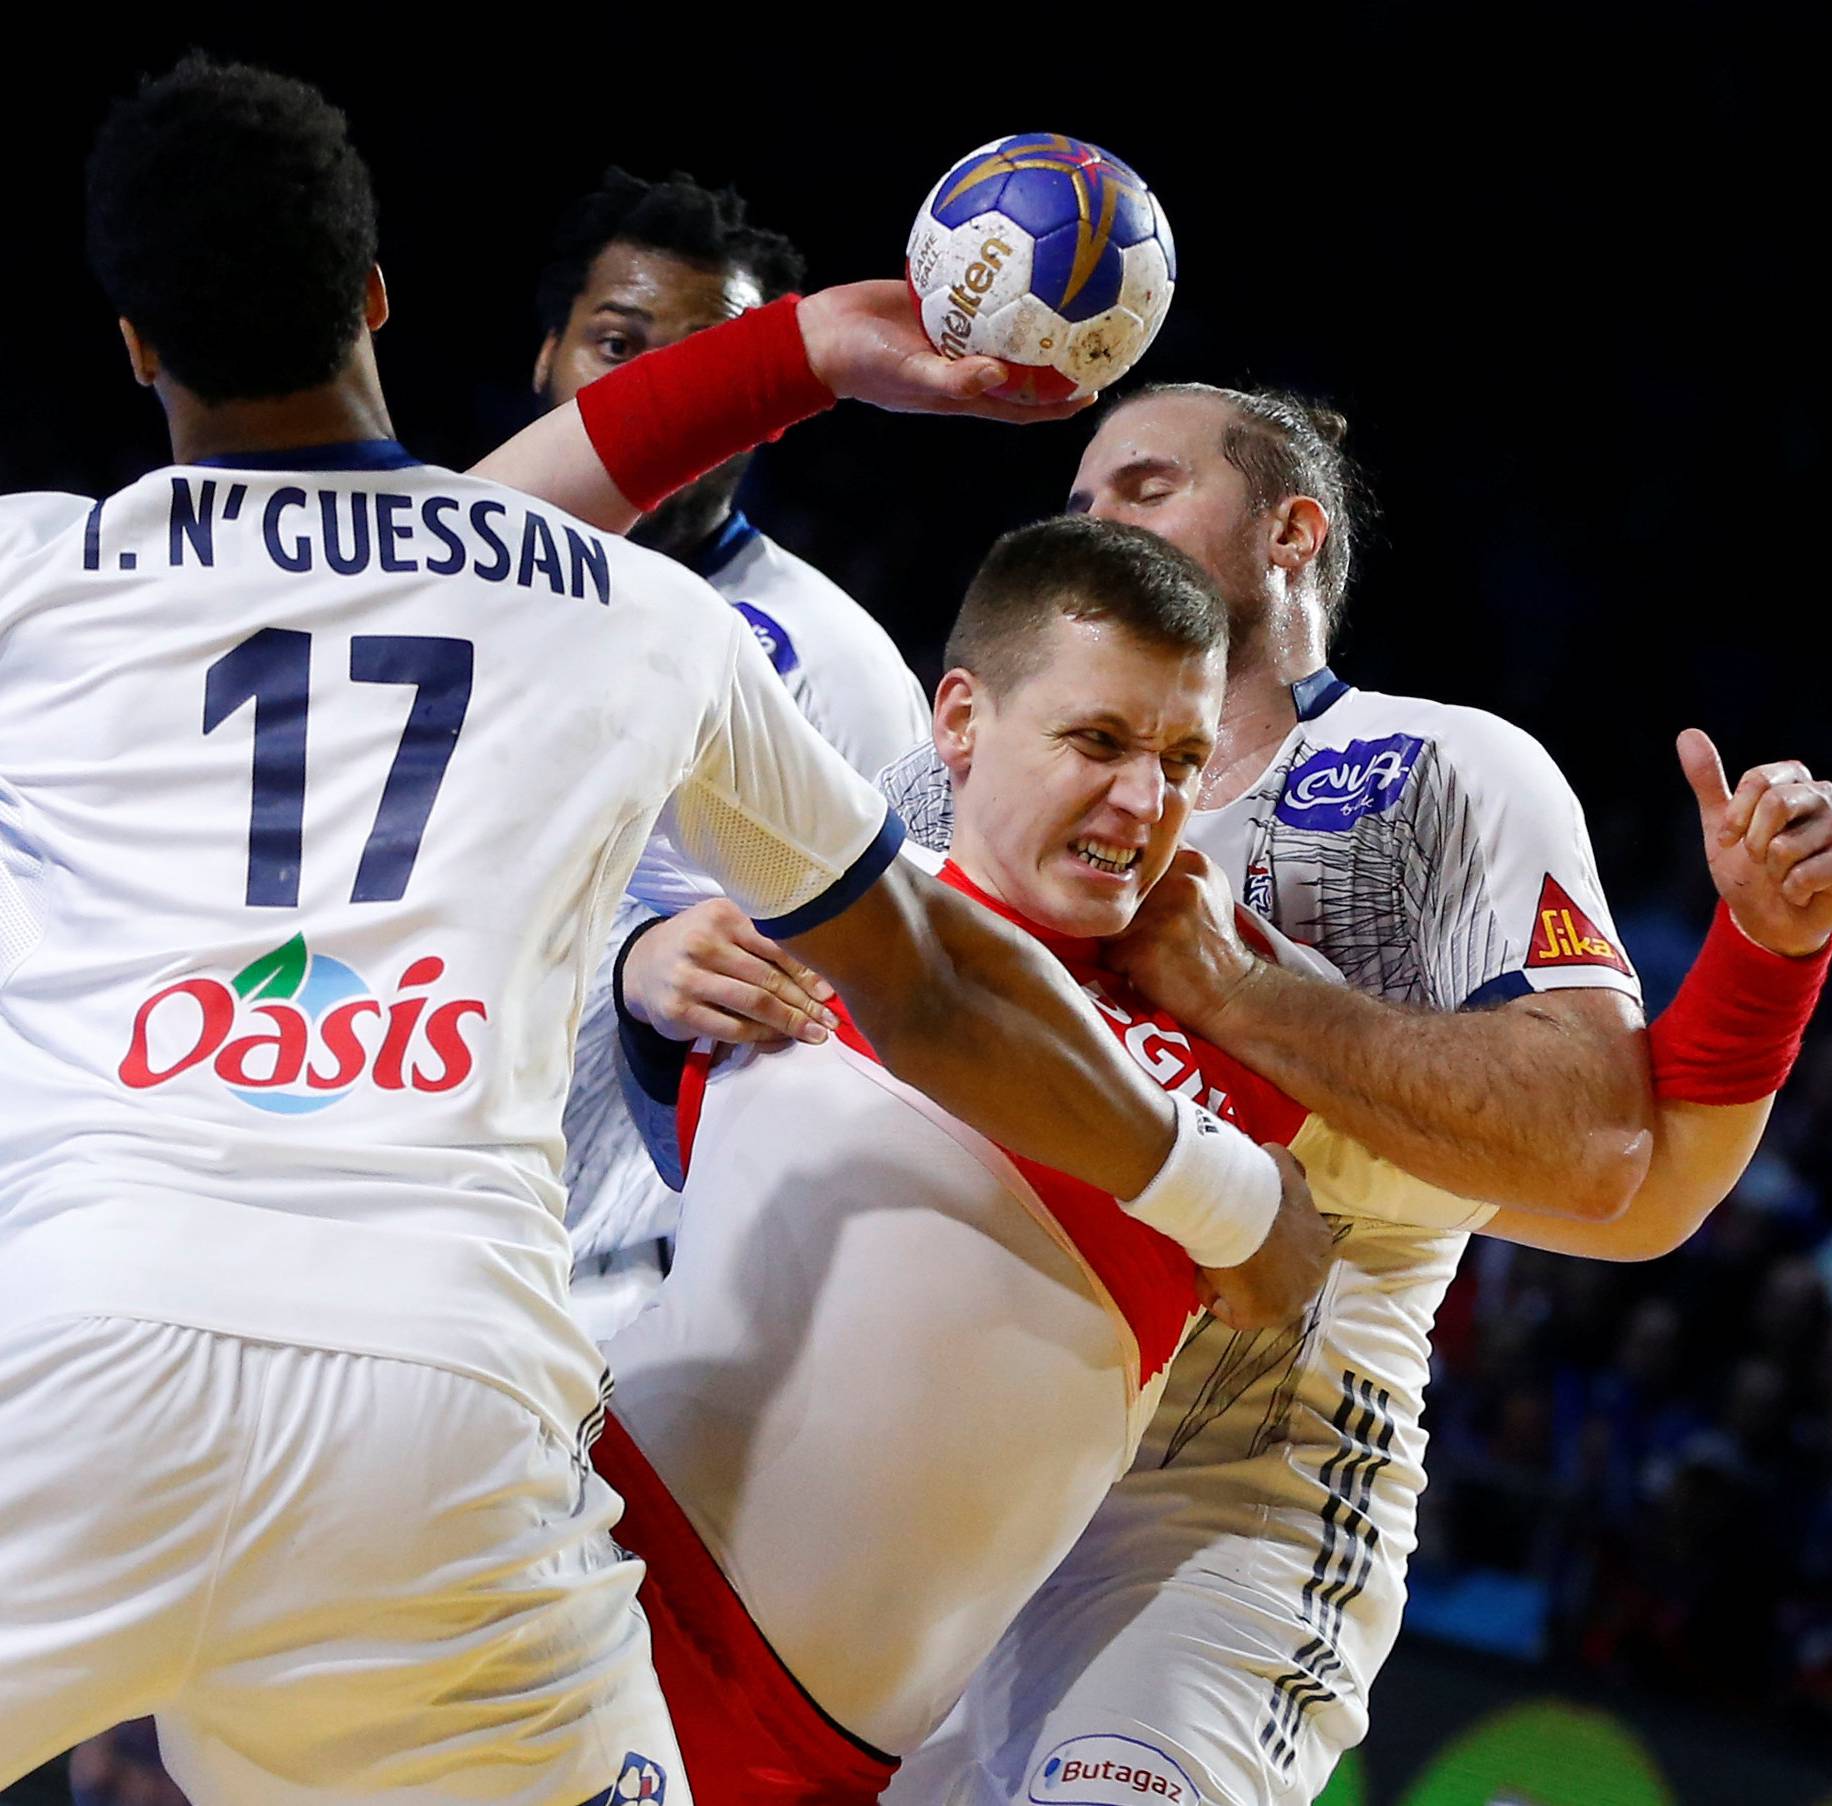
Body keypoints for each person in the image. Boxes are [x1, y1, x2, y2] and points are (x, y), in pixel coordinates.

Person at [0, 61, 1315, 1802]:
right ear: (380, 300)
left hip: (81, 1361)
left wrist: (814, 354)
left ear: (133, 342)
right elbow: (926, 983)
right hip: (445, 1417)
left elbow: (428, 527)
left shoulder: (40, 577)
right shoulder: (628, 616)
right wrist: (1227, 1193)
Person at [612, 384, 1832, 1803]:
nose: (1092, 519)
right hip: (917, 1496)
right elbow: (740, 1109)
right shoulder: (950, 773)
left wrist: (1252, 995)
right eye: (1079, 502)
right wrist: (656, 972)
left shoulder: (1442, 768)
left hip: (1224, 1501)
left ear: (1291, 529)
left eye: (1142, 487)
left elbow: (1612, 1169)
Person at [595, 515, 1474, 1804]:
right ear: (958, 719)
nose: (1143, 801)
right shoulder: (822, 925)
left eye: (1183, 757)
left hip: (813, 1757)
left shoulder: (1257, 1010)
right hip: (598, 1585)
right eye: (1098, 742)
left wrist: (1766, 964)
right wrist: (638, 978)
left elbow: (1616, 1188)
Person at [528, 169, 931, 1331]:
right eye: (620, 344)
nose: (665, 392)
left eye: (714, 364)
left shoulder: (837, 665)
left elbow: (900, 1009)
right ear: (545, 357)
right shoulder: (430, 596)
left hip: (615, 1303)